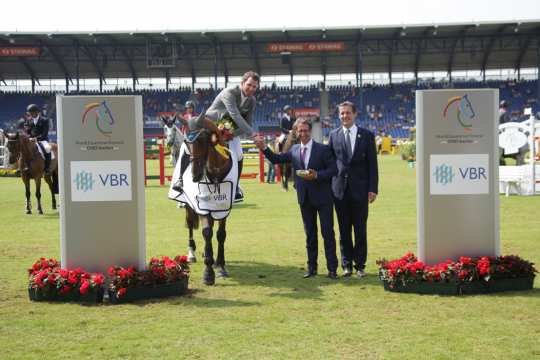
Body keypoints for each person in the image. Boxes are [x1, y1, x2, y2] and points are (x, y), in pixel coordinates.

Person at [254, 118, 339, 279]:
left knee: (327, 233)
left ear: (310, 131)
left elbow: (334, 170)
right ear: (296, 132)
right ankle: (312, 268)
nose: (303, 133)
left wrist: (317, 175)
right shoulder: (293, 149)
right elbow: (276, 159)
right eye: (300, 131)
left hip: (323, 199)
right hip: (305, 199)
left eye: (306, 130)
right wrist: (264, 148)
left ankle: (332, 269)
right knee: (310, 235)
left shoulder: (323, 149)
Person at [174, 71, 259, 202]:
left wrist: (231, 135)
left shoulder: (252, 101)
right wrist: (252, 133)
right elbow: (235, 115)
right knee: (190, 147)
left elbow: (248, 123)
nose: (251, 89)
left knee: (239, 154)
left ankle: (235, 187)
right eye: (249, 85)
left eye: (254, 87)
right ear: (242, 83)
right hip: (210, 124)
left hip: (227, 130)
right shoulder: (229, 92)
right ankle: (179, 180)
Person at [328, 101, 379, 278]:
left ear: (355, 114)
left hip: (361, 190)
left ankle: (360, 265)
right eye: (342, 113)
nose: (345, 116)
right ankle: (347, 265)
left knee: (360, 229)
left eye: (348, 113)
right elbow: (330, 163)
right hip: (339, 190)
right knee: (343, 230)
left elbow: (373, 165)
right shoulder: (333, 135)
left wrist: (373, 189)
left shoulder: (367, 135)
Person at [23, 104, 51, 175]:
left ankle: (47, 168)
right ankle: (24, 166)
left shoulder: (44, 120)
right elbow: (27, 132)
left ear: (37, 112)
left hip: (42, 140)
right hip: (31, 140)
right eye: (29, 113)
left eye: (32, 112)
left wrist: (37, 138)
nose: (30, 114)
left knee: (47, 148)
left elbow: (45, 133)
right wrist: (29, 137)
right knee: (24, 149)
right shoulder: (28, 121)